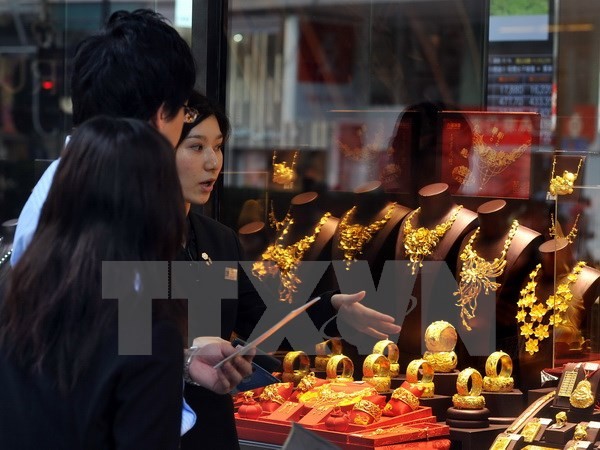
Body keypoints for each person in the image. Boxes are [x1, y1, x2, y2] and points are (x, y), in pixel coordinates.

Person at [8, 9, 252, 435]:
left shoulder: (62, 189)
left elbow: (93, 348)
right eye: (182, 117)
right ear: (162, 116)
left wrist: (182, 361)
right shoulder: (106, 211)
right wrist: (169, 356)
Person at [176, 90, 402, 450]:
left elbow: (267, 322)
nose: (212, 162)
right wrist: (185, 359)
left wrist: (332, 308)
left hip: (212, 431)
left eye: (218, 146)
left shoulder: (218, 240)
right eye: (196, 147)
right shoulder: (129, 239)